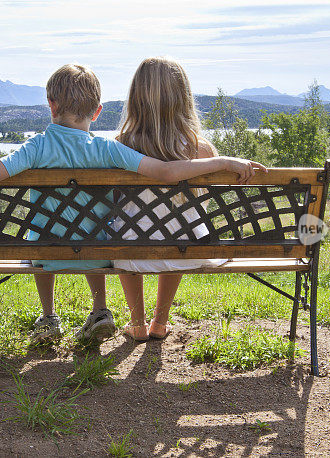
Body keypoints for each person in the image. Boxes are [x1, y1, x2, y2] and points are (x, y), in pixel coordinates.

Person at [0, 63, 265, 346]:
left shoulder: (38, 146)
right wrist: (223, 160)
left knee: (43, 233)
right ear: (98, 111)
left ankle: (50, 316)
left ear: (51, 105)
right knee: (95, 230)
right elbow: (166, 171)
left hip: (45, 253)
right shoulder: (108, 149)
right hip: (99, 253)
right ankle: (104, 310)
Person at [113, 57, 268, 341]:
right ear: (183, 98)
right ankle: (160, 322)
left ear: (136, 97)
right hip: (188, 249)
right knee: (180, 224)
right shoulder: (203, 150)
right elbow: (198, 210)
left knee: (130, 227)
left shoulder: (120, 146)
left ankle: (137, 323)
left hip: (130, 252)